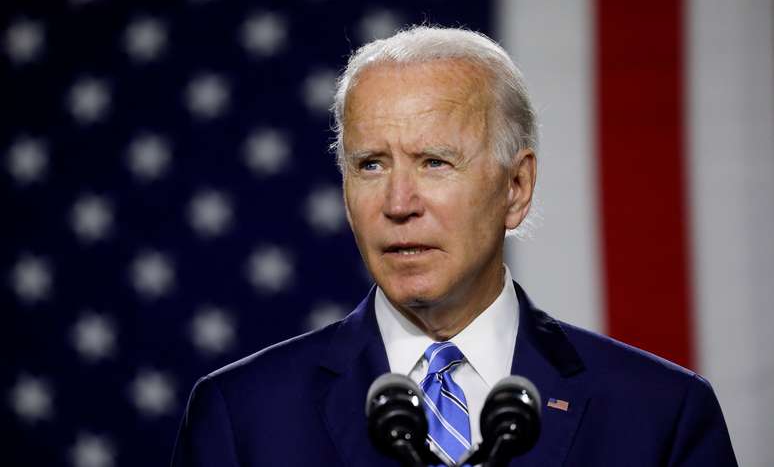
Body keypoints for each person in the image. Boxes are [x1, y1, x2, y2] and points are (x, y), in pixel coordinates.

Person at [171, 27, 737, 466]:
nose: (398, 203)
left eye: (434, 163)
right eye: (371, 165)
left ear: (516, 188)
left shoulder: (660, 416)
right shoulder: (242, 417)